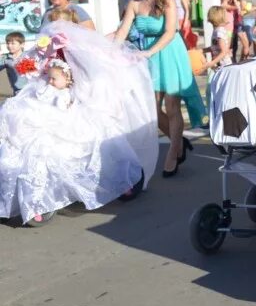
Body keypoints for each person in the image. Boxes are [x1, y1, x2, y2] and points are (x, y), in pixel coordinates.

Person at [0, 25, 156, 225]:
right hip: (47, 107)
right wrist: (42, 53)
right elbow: (26, 69)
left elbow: (94, 70)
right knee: (24, 137)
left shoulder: (78, 58)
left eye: (54, 78)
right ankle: (31, 194)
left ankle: (118, 180)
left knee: (86, 143)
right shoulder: (47, 64)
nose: (50, 80)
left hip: (72, 108)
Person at [114, 0, 204, 177]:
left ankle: (173, 152)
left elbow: (170, 32)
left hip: (169, 52)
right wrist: (110, 52)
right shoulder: (134, 2)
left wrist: (148, 52)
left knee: (172, 106)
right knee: (151, 108)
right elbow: (123, 30)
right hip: (148, 56)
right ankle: (178, 141)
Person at [202, 6, 233, 71]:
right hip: (221, 66)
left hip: (224, 66)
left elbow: (224, 51)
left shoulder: (219, 32)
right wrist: (203, 50)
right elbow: (216, 47)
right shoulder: (217, 30)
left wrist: (212, 63)